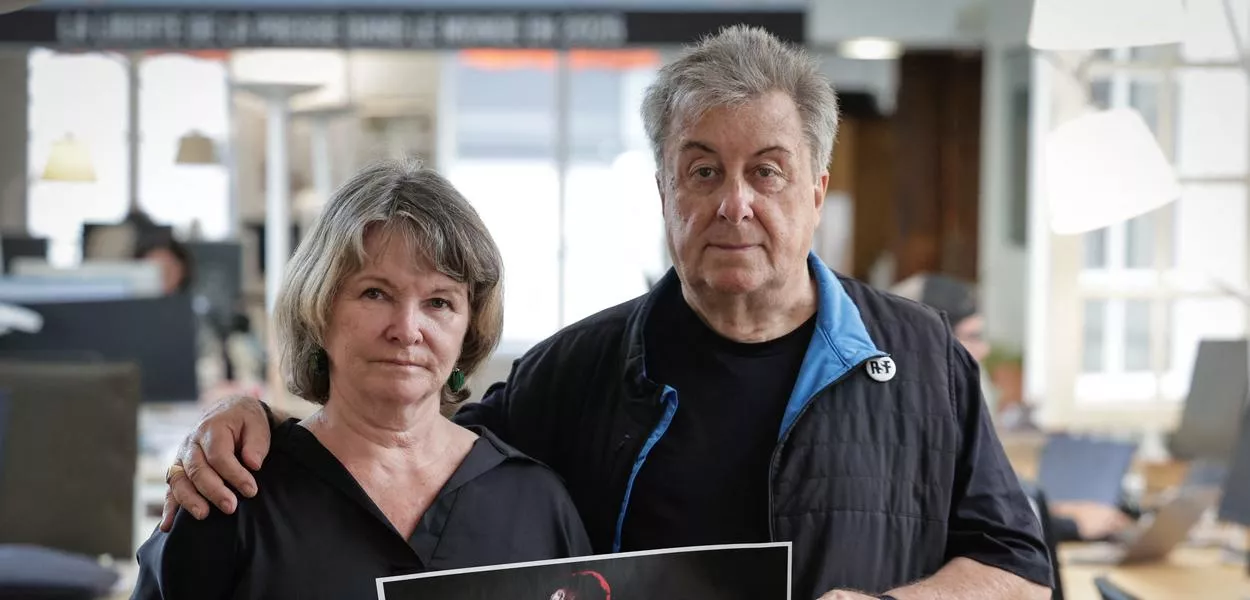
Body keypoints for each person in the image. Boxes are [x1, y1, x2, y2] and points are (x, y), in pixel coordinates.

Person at [159, 27, 1051, 600]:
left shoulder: (923, 356)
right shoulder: (575, 369)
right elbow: (405, 432)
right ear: (664, 190)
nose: (733, 203)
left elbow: (1019, 568)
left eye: (766, 171)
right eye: (701, 170)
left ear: (815, 191)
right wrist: (252, 423)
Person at [132, 160, 591, 598]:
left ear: (469, 326)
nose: (407, 329)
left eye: (440, 302)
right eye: (375, 293)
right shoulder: (232, 493)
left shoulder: (535, 504)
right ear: (319, 309)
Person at [893, 272, 1135, 544]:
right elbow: (965, 524)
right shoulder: (911, 424)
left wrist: (1054, 512)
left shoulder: (934, 408)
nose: (983, 350)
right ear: (930, 340)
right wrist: (1070, 524)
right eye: (972, 336)